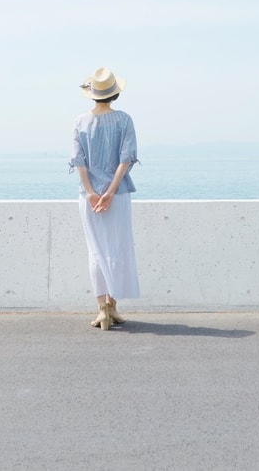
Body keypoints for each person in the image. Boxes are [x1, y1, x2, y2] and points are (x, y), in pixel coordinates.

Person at [70, 67, 141, 330]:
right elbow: (126, 158)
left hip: (88, 196)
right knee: (117, 248)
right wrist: (110, 192)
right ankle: (111, 307)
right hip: (118, 194)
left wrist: (91, 192)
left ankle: (103, 309)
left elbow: (79, 160)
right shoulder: (124, 120)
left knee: (96, 251)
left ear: (91, 95)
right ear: (114, 94)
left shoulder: (80, 121)